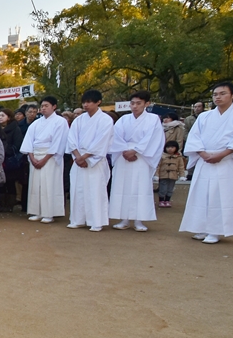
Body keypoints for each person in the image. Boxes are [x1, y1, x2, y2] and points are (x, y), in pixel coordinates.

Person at [179, 82, 233, 244]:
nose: (218, 97)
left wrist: (222, 154)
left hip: (227, 161)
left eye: (222, 93)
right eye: (215, 94)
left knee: (221, 196)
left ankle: (215, 231)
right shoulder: (205, 116)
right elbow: (194, 137)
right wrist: (202, 153)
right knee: (202, 194)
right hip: (205, 159)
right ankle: (201, 227)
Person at [109, 91, 164, 232]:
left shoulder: (153, 119)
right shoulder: (123, 119)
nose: (135, 106)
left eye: (138, 103)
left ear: (147, 104)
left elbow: (153, 139)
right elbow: (116, 136)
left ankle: (139, 220)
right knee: (122, 186)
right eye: (132, 103)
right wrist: (125, 151)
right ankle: (124, 218)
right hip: (123, 155)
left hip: (142, 156)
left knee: (140, 187)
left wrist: (136, 151)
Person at [66, 89, 115, 232]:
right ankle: (77, 219)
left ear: (98, 102)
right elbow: (71, 139)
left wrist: (85, 157)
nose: (86, 105)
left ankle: (96, 221)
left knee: (95, 190)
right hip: (78, 159)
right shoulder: (79, 120)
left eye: (89, 102)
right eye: (84, 102)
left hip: (95, 160)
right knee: (77, 189)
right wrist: (77, 156)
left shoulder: (105, 119)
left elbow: (102, 140)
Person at [20, 96, 69, 223]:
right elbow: (28, 142)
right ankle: (37, 211)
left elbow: (58, 142)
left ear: (54, 107)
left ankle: (49, 213)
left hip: (50, 157)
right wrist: (32, 157)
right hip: (35, 156)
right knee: (36, 185)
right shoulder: (36, 123)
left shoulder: (60, 121)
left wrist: (45, 159)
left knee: (49, 184)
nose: (43, 108)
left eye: (46, 105)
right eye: (42, 106)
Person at [157, 141, 186, 207]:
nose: (170, 149)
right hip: (163, 175)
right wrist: (156, 175)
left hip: (173, 175)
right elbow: (158, 166)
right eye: (168, 147)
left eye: (172, 147)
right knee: (163, 189)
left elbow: (181, 167)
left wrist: (182, 175)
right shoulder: (162, 156)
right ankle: (161, 200)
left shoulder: (179, 157)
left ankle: (167, 200)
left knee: (170, 189)